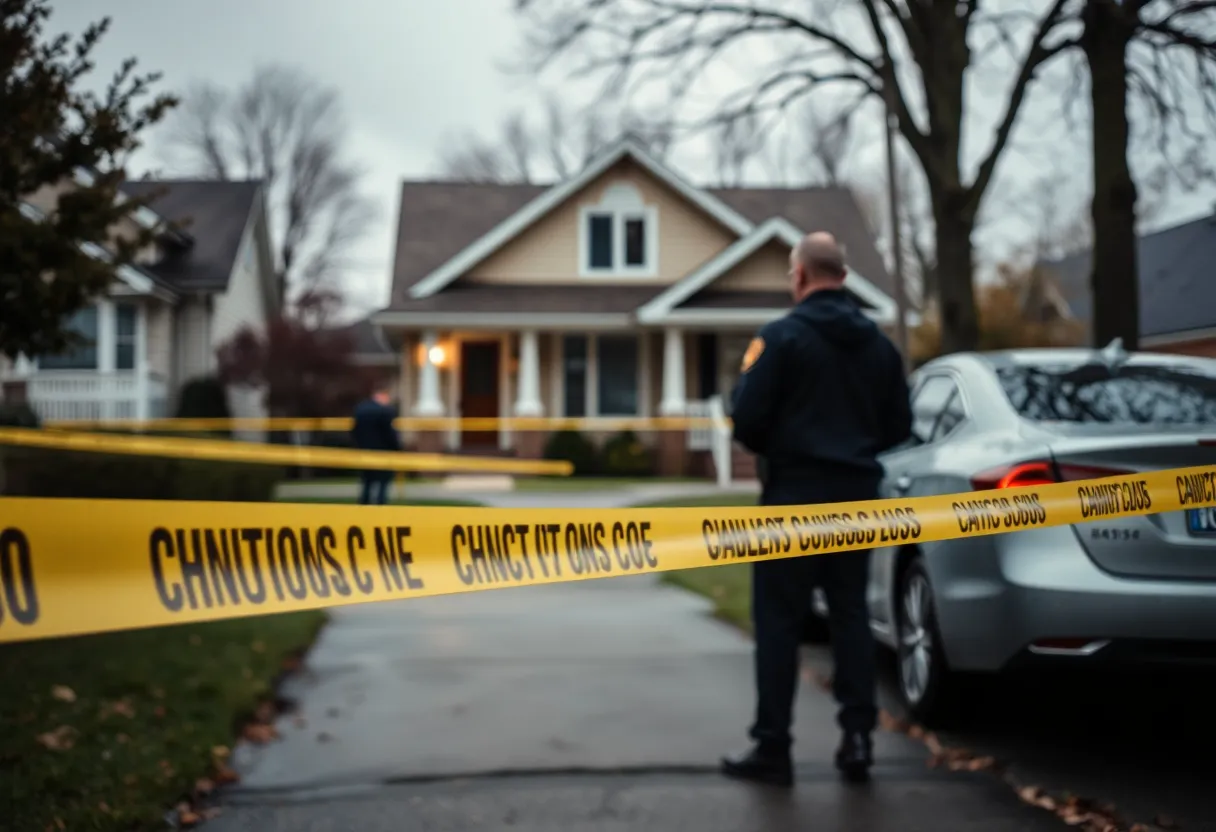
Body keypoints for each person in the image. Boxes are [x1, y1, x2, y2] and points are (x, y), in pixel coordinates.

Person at [720, 231, 913, 788]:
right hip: (857, 498)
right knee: (850, 616)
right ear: (845, 278)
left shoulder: (780, 339)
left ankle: (773, 749)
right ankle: (858, 740)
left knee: (780, 622)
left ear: (799, 276)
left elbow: (748, 419)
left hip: (792, 498)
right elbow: (899, 427)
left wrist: (786, 445)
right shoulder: (880, 348)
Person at [351, 383, 402, 505]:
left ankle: (363, 505)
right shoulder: (385, 411)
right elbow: (390, 434)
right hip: (383, 453)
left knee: (367, 482)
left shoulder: (360, 409)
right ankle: (380, 506)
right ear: (382, 395)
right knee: (383, 484)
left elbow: (354, 430)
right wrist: (397, 448)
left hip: (364, 452)